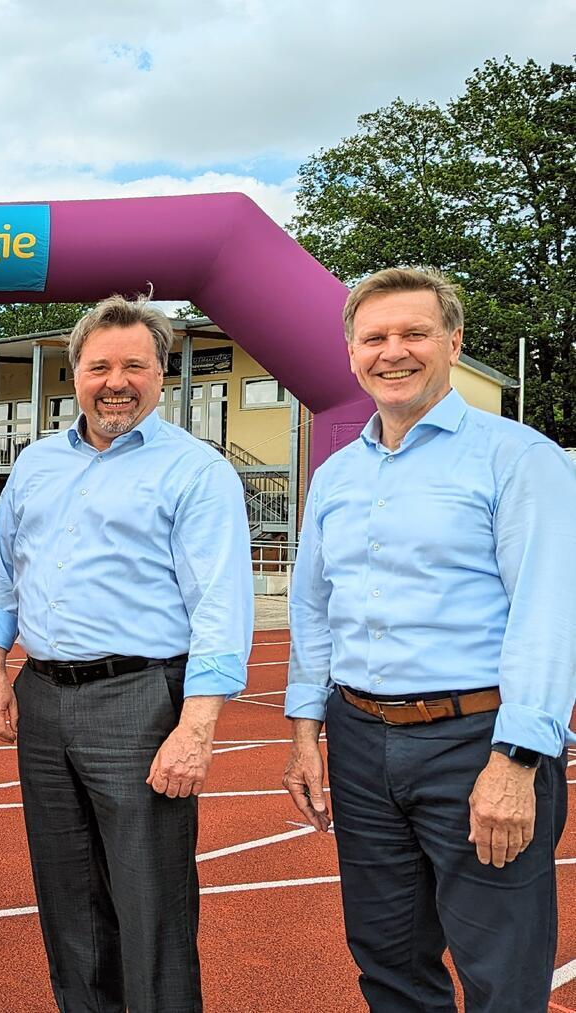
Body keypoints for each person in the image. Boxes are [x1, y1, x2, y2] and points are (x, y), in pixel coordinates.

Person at [283, 267, 576, 1012]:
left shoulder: (519, 458)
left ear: (454, 341)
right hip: (358, 739)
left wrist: (517, 760)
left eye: (413, 332)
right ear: (350, 351)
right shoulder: (338, 474)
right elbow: (315, 607)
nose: (393, 351)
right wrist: (304, 731)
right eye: (373, 336)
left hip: (477, 738)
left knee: (499, 972)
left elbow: (549, 612)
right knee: (387, 961)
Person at [0, 293, 252, 1012]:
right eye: (100, 366)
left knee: (150, 904)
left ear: (161, 375)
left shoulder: (196, 471)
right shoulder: (34, 466)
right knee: (69, 905)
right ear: (76, 374)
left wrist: (196, 727)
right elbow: (5, 576)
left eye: (134, 365)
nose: (116, 381)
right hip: (43, 698)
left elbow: (220, 604)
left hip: (140, 701)